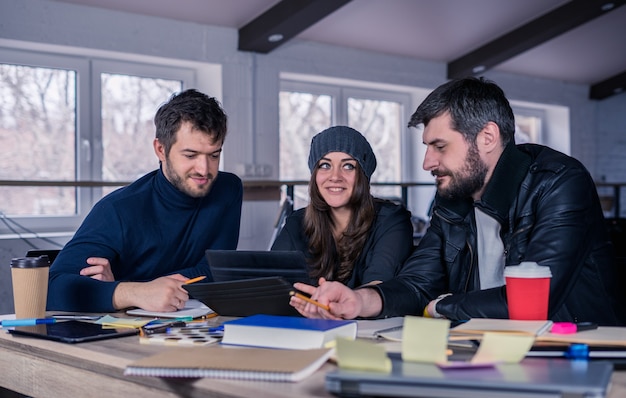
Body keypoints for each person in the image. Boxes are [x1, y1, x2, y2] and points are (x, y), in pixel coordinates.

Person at [292, 77, 625, 326]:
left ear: (487, 137)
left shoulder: (559, 183)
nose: (426, 163)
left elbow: (532, 304)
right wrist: (358, 301)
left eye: (439, 146)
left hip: (579, 352)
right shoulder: (453, 198)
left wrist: (442, 307)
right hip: (482, 348)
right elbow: (418, 282)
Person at [47, 89, 243, 313]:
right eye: (190, 155)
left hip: (195, 324)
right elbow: (49, 290)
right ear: (161, 149)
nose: (204, 169)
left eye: (214, 155)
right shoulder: (118, 210)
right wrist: (132, 292)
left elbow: (217, 272)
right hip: (122, 337)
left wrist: (125, 285)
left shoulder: (228, 189)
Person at [272, 126, 414, 312]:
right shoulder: (296, 222)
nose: (335, 177)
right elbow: (272, 286)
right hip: (305, 328)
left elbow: (377, 288)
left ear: (363, 176)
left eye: (348, 166)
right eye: (325, 165)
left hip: (367, 332)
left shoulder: (392, 220)